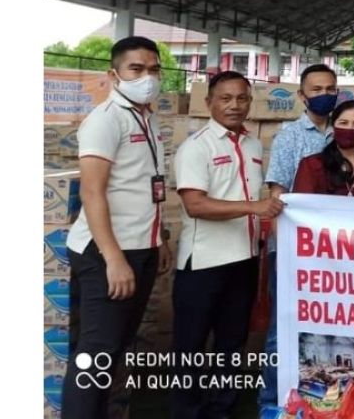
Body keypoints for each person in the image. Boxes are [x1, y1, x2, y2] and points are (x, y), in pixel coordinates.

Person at [62, 36, 174, 419]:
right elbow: (93, 194)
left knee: (116, 349)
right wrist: (113, 259)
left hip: (140, 247)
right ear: (114, 75)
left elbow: (146, 186)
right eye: (136, 69)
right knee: (96, 354)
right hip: (107, 251)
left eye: (154, 69)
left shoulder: (147, 117)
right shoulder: (104, 120)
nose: (148, 77)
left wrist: (159, 239)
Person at [172, 71, 284, 418]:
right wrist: (254, 208)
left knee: (231, 345)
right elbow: (196, 205)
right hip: (203, 264)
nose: (234, 105)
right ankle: (186, 412)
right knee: (190, 347)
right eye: (225, 98)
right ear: (209, 103)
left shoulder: (251, 144)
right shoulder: (196, 146)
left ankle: (222, 410)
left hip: (244, 260)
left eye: (242, 98)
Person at [259, 63, 339, 411]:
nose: (324, 96)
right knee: (283, 328)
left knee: (326, 328)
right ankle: (271, 402)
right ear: (302, 95)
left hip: (335, 252)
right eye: (317, 90)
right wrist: (288, 252)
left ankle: (318, 402)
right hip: (294, 251)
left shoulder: (344, 132)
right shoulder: (289, 137)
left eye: (330, 89)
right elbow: (278, 196)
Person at [293, 100, 354, 198]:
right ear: (333, 127)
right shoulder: (311, 165)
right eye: (343, 123)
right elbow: (302, 204)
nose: (350, 128)